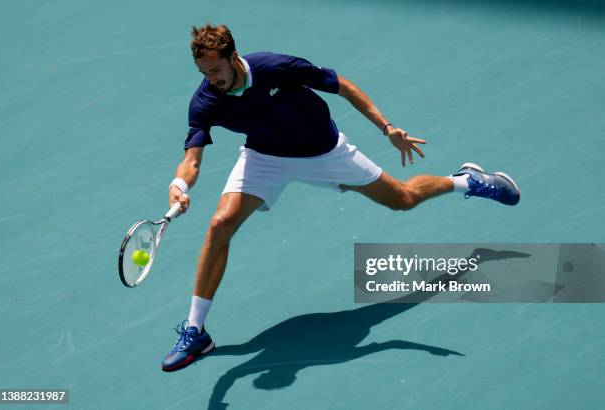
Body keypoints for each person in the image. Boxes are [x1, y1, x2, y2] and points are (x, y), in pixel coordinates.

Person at [161, 24, 520, 372]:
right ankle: (196, 331)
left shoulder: (275, 67)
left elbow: (342, 85)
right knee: (220, 224)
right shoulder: (206, 100)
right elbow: (193, 158)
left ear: (234, 58)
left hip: (325, 153)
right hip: (265, 157)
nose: (212, 80)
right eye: (204, 73)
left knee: (403, 199)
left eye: (216, 70)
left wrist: (387, 128)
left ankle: (466, 181)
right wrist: (181, 184)